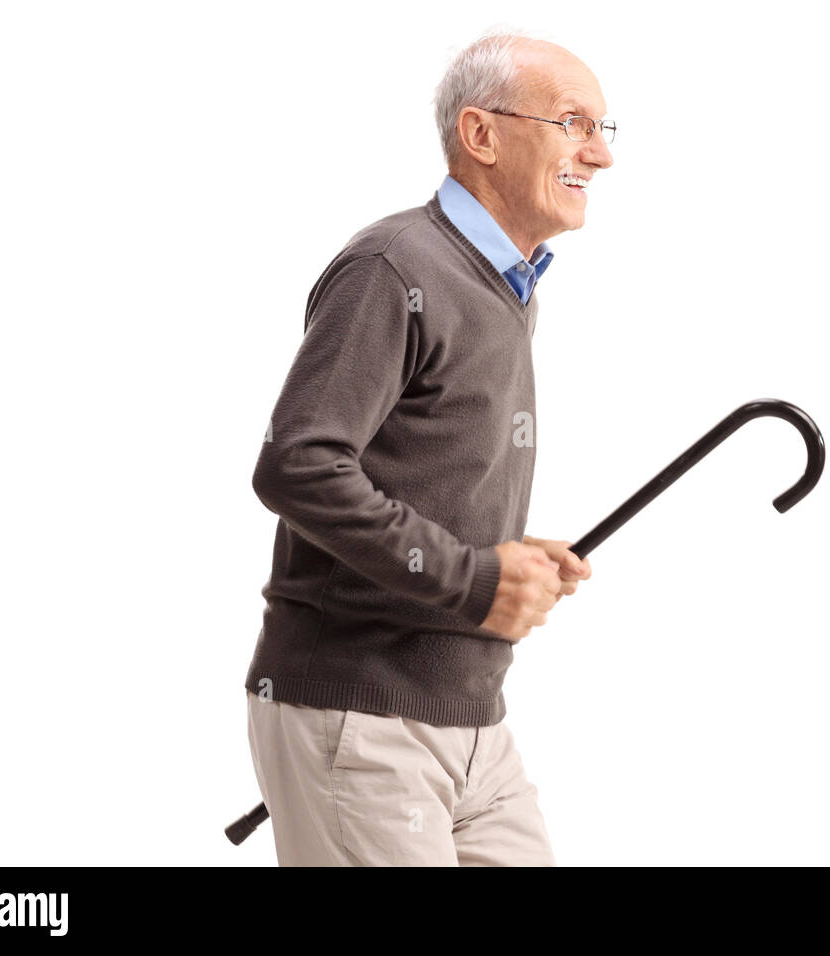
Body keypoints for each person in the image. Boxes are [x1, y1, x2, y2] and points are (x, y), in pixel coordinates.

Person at [242, 30, 614, 866]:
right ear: (482, 135)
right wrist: (475, 578)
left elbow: (415, 468)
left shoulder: (506, 284)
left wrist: (502, 556)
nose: (600, 154)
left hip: (474, 725)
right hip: (365, 723)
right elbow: (298, 463)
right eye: (573, 123)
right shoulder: (393, 267)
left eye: (604, 128)